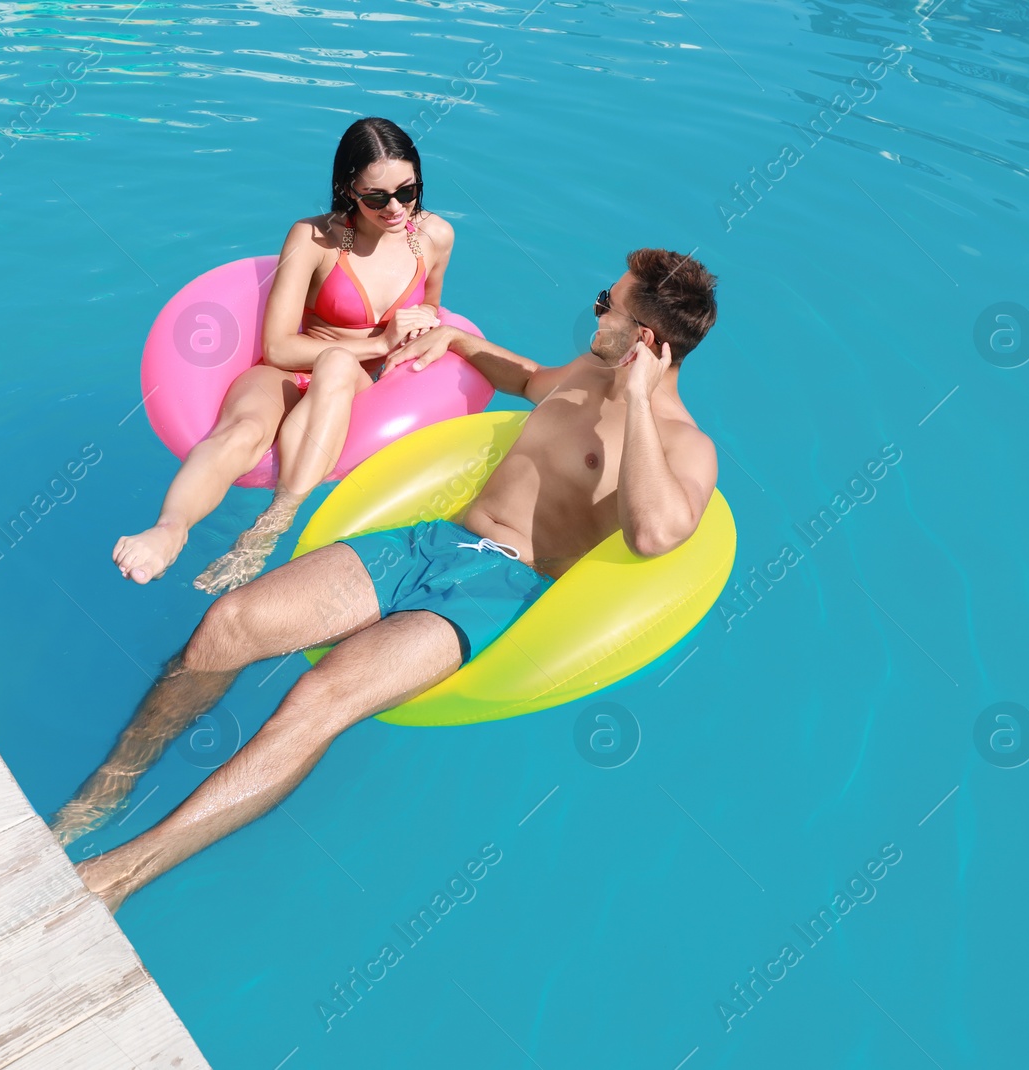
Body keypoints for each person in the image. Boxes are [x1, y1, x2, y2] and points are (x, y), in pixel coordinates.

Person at [56, 249, 719, 910]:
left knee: (319, 697)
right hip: (431, 543)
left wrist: (636, 399)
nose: (595, 312)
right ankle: (101, 796)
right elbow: (527, 380)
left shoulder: (684, 446)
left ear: (647, 341)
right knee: (230, 623)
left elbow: (655, 533)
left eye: (609, 306)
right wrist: (458, 339)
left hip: (497, 593)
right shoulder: (584, 372)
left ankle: (118, 876)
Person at [113, 117, 455, 596]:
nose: (395, 207)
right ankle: (169, 529)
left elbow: (433, 307)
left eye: (408, 191)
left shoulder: (435, 237)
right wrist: (378, 343)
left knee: (338, 364)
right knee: (241, 430)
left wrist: (415, 334)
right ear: (348, 189)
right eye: (376, 197)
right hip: (290, 369)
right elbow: (276, 347)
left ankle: (268, 529)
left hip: (353, 383)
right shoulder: (314, 239)